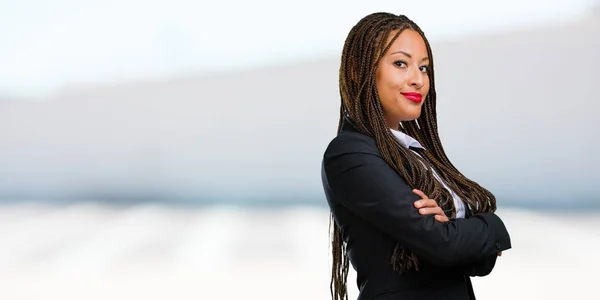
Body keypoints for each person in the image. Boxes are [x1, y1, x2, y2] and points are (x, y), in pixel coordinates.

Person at [320, 12, 512, 300]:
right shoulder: (349, 153)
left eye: (424, 68)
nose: (418, 80)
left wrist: (455, 234)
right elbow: (442, 245)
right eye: (401, 63)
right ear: (359, 71)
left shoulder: (413, 153)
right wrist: (492, 227)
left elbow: (478, 261)